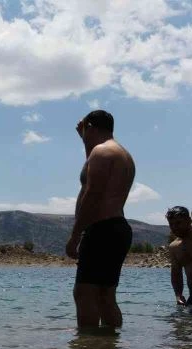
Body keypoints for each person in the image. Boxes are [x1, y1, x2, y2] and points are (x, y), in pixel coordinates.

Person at [66, 110, 136, 328]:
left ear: (90, 127)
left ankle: (88, 347)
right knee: (105, 295)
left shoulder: (102, 152)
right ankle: (108, 345)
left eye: (84, 129)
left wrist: (75, 235)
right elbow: (90, 174)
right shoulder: (120, 153)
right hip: (116, 228)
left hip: (102, 229)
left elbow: (92, 194)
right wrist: (85, 140)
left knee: (84, 293)